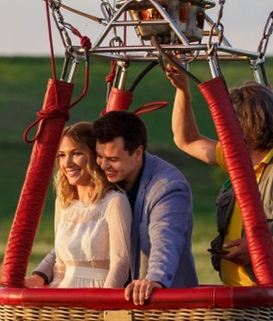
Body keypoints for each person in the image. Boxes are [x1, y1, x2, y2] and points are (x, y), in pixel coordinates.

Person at [165, 65, 273, 286]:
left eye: (228, 121)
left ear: (248, 123)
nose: (223, 128)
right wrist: (182, 90)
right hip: (237, 295)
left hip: (270, 296)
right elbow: (186, 139)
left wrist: (260, 246)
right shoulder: (236, 158)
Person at [93, 110, 198, 305]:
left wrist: (155, 279)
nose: (104, 165)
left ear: (138, 153)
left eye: (113, 159)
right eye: (100, 156)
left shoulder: (168, 187)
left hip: (161, 308)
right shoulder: (102, 179)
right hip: (116, 300)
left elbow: (166, 237)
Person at [26, 122, 132, 288]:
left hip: (98, 294)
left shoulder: (115, 202)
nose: (67, 163)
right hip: (64, 298)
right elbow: (60, 265)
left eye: (76, 153)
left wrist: (103, 304)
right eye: (61, 155)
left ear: (96, 157)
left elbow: (121, 263)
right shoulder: (64, 204)